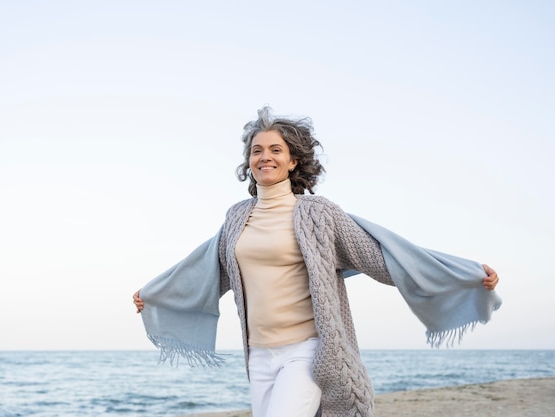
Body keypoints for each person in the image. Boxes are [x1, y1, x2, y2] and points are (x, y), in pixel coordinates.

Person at [132, 106, 501, 417]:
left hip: (308, 351)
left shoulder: (318, 214)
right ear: (249, 161)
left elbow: (381, 257)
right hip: (258, 355)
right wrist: (156, 295)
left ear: (293, 161)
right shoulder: (236, 217)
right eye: (257, 150)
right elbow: (207, 271)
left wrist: (464, 274)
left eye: (276, 150)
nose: (265, 157)